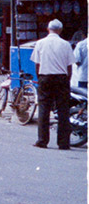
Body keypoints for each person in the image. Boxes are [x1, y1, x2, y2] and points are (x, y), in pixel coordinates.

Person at [31, 19, 75, 150]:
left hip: (45, 77)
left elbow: (37, 65)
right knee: (63, 111)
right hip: (61, 78)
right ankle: (63, 143)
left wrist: (40, 78)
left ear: (47, 29)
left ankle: (42, 140)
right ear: (60, 30)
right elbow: (69, 66)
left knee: (44, 109)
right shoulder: (66, 44)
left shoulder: (40, 43)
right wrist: (67, 80)